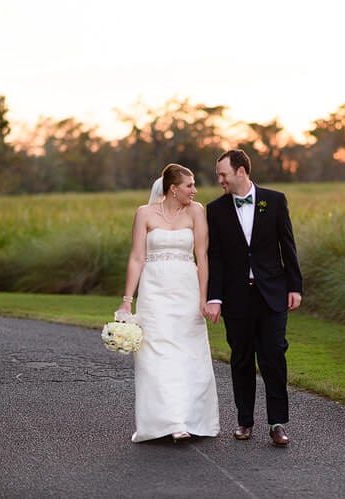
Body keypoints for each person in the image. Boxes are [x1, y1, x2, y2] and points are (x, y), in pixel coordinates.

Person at [203, 149, 304, 447]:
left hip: (272, 295)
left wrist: (294, 287)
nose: (219, 180)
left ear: (241, 172)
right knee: (242, 360)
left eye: (223, 174)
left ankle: (277, 423)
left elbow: (288, 246)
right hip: (236, 299)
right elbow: (216, 258)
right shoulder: (215, 209)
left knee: (274, 357)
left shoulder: (274, 200)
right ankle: (244, 421)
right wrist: (215, 298)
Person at [118, 163, 220, 443]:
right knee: (157, 355)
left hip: (186, 291)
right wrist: (127, 301)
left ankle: (192, 418)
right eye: (189, 185)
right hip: (154, 292)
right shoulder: (144, 214)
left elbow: (203, 257)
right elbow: (137, 257)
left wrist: (204, 298)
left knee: (189, 353)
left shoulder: (196, 212)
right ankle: (169, 421)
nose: (194, 190)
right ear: (173, 189)